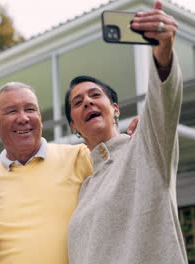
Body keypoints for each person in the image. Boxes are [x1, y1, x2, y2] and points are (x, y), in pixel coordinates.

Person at [64, 1, 187, 263]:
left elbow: (163, 105)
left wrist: (163, 55)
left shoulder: (146, 148)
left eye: (95, 95)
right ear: (74, 126)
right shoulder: (84, 188)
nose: (87, 101)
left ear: (115, 109)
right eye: (78, 102)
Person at [0, 81, 93, 264]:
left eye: (30, 109)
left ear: (40, 117)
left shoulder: (79, 157)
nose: (23, 118)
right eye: (12, 111)